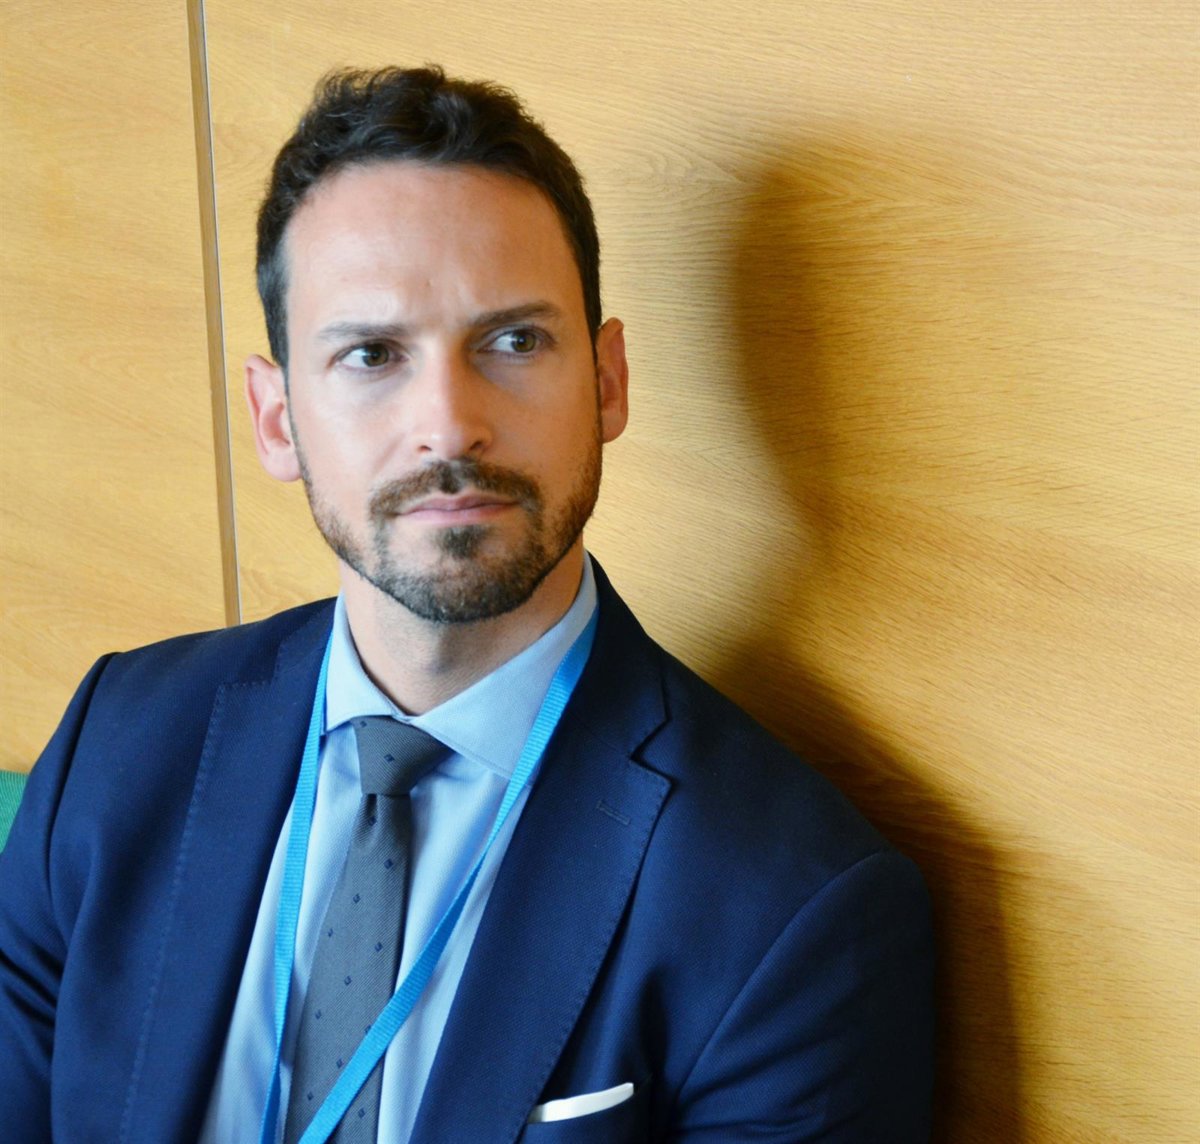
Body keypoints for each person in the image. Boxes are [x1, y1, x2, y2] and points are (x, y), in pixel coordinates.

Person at [0, 67, 935, 1142]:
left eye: (514, 341)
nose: (448, 426)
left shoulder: (794, 906)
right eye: (371, 355)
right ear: (277, 419)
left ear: (609, 382)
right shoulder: (118, 741)